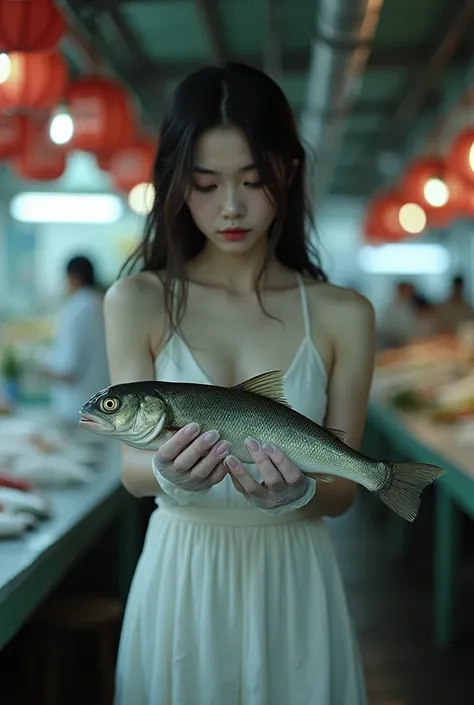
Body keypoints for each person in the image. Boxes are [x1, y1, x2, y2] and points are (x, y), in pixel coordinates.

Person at [105, 63, 374, 705]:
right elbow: (130, 469)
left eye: (253, 181)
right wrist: (172, 474)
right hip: (183, 569)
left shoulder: (342, 313)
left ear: (289, 170)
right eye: (205, 184)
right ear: (175, 183)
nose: (231, 206)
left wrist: (297, 492)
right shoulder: (137, 300)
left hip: (293, 572)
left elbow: (343, 493)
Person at [42, 255, 110, 422]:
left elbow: (68, 369)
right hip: (102, 406)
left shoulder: (76, 309)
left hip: (77, 409)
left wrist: (41, 369)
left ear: (73, 277)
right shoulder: (102, 302)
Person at [377, 280, 417, 348]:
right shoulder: (391, 307)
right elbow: (385, 327)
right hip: (393, 342)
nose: (407, 293)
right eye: (405, 290)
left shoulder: (411, 306)